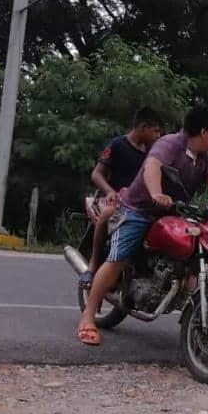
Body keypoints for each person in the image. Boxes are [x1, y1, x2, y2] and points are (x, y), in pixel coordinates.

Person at [76, 104, 208, 346]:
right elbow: (152, 167)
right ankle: (87, 318)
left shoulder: (203, 157)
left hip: (174, 212)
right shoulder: (169, 144)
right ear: (203, 132)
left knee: (193, 250)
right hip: (140, 210)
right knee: (119, 258)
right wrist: (156, 193)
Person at [78, 107, 163, 288]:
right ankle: (93, 266)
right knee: (107, 215)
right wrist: (110, 191)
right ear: (142, 127)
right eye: (155, 131)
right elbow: (97, 174)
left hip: (141, 203)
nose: (158, 135)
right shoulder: (118, 144)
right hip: (116, 201)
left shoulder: (151, 152)